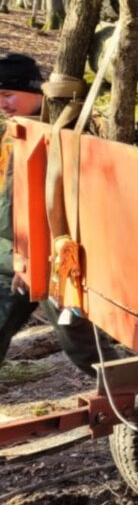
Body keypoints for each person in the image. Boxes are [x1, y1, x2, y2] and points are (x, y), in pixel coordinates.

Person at [0, 52, 45, 364]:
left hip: (37, 260)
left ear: (34, 90)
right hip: (9, 252)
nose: (3, 104)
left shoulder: (56, 134)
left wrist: (29, 261)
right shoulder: (12, 130)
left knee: (81, 343)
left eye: (7, 94)